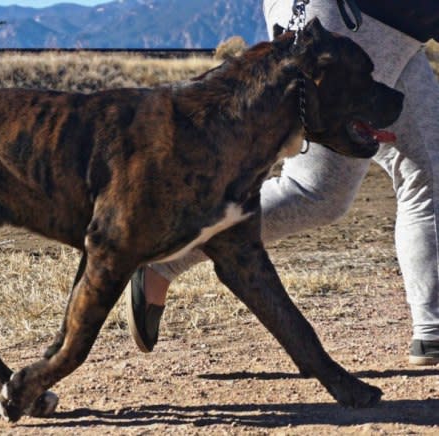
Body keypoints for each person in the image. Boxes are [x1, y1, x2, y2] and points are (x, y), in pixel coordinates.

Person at [127, 0, 439, 365]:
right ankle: (165, 253)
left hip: (392, 24)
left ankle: (432, 329)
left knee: (429, 168)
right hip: (356, 17)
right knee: (316, 190)